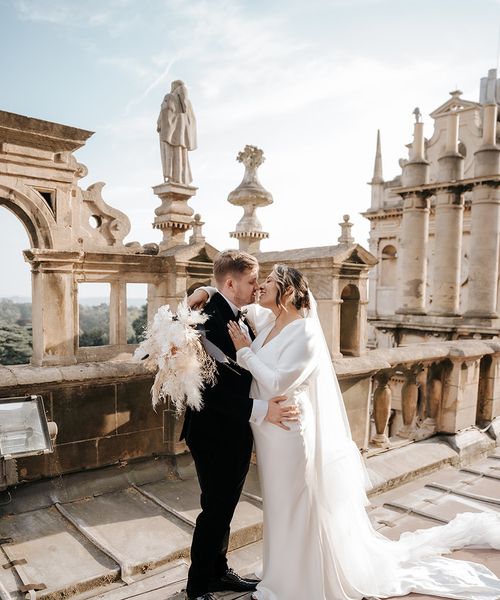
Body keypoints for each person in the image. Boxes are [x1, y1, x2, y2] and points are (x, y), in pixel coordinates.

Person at [191, 264, 500, 600]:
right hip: (268, 432)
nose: (260, 286)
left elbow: (278, 380)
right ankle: (281, 570)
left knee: (298, 504)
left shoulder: (305, 332)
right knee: (279, 507)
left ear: (289, 292)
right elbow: (227, 293)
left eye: (267, 282)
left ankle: (303, 580)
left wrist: (245, 352)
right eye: (257, 281)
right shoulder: (266, 322)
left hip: (288, 430)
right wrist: (204, 291)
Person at [181, 251, 299, 600]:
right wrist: (262, 409)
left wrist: (206, 287)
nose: (258, 286)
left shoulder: (241, 315)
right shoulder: (205, 320)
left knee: (226, 507)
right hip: (212, 432)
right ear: (230, 283)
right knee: (214, 510)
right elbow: (211, 391)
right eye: (251, 281)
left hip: (235, 432)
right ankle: (198, 587)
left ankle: (218, 572)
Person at [157, 80, 197, 185]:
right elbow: (192, 121)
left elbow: (165, 111)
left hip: (170, 135)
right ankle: (181, 179)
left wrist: (159, 124)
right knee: (181, 156)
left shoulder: (169, 97)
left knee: (171, 154)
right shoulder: (188, 103)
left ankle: (172, 178)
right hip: (182, 137)